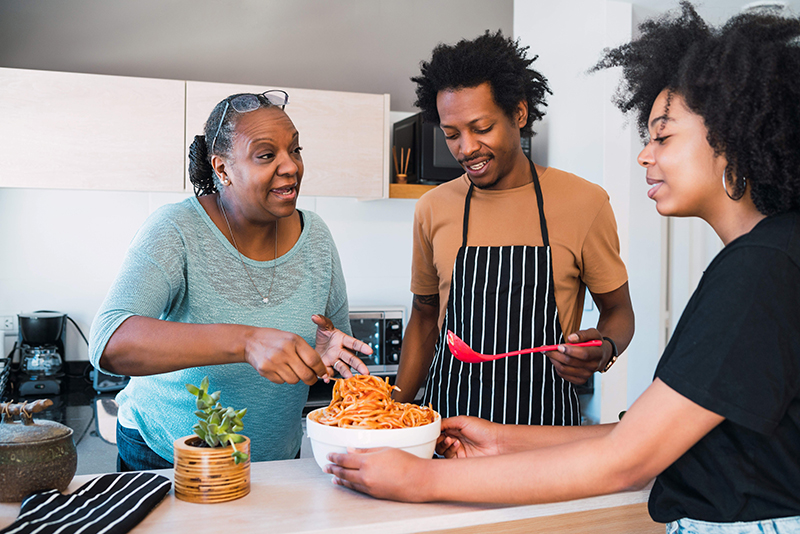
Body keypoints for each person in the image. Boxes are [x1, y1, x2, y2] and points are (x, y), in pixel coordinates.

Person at [326, 4, 800, 531]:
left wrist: (420, 481)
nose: (644, 156)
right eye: (451, 133)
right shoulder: (766, 258)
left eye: (661, 137)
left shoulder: (760, 269)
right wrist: (497, 439)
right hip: (459, 427)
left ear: (734, 135)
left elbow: (630, 457)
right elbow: (660, 438)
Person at [88, 90, 371, 470]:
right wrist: (245, 341)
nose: (291, 167)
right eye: (267, 155)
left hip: (277, 461)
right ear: (222, 170)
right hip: (167, 457)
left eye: (295, 150)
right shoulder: (177, 229)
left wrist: (321, 359)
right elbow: (109, 342)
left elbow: (334, 353)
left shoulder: (315, 236)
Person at [393, 30, 635, 426]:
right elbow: (424, 317)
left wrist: (603, 348)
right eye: (451, 134)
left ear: (519, 114)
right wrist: (395, 413)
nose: (465, 148)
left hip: (545, 431)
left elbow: (619, 311)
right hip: (449, 430)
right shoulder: (432, 208)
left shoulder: (584, 203)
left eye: (481, 128)